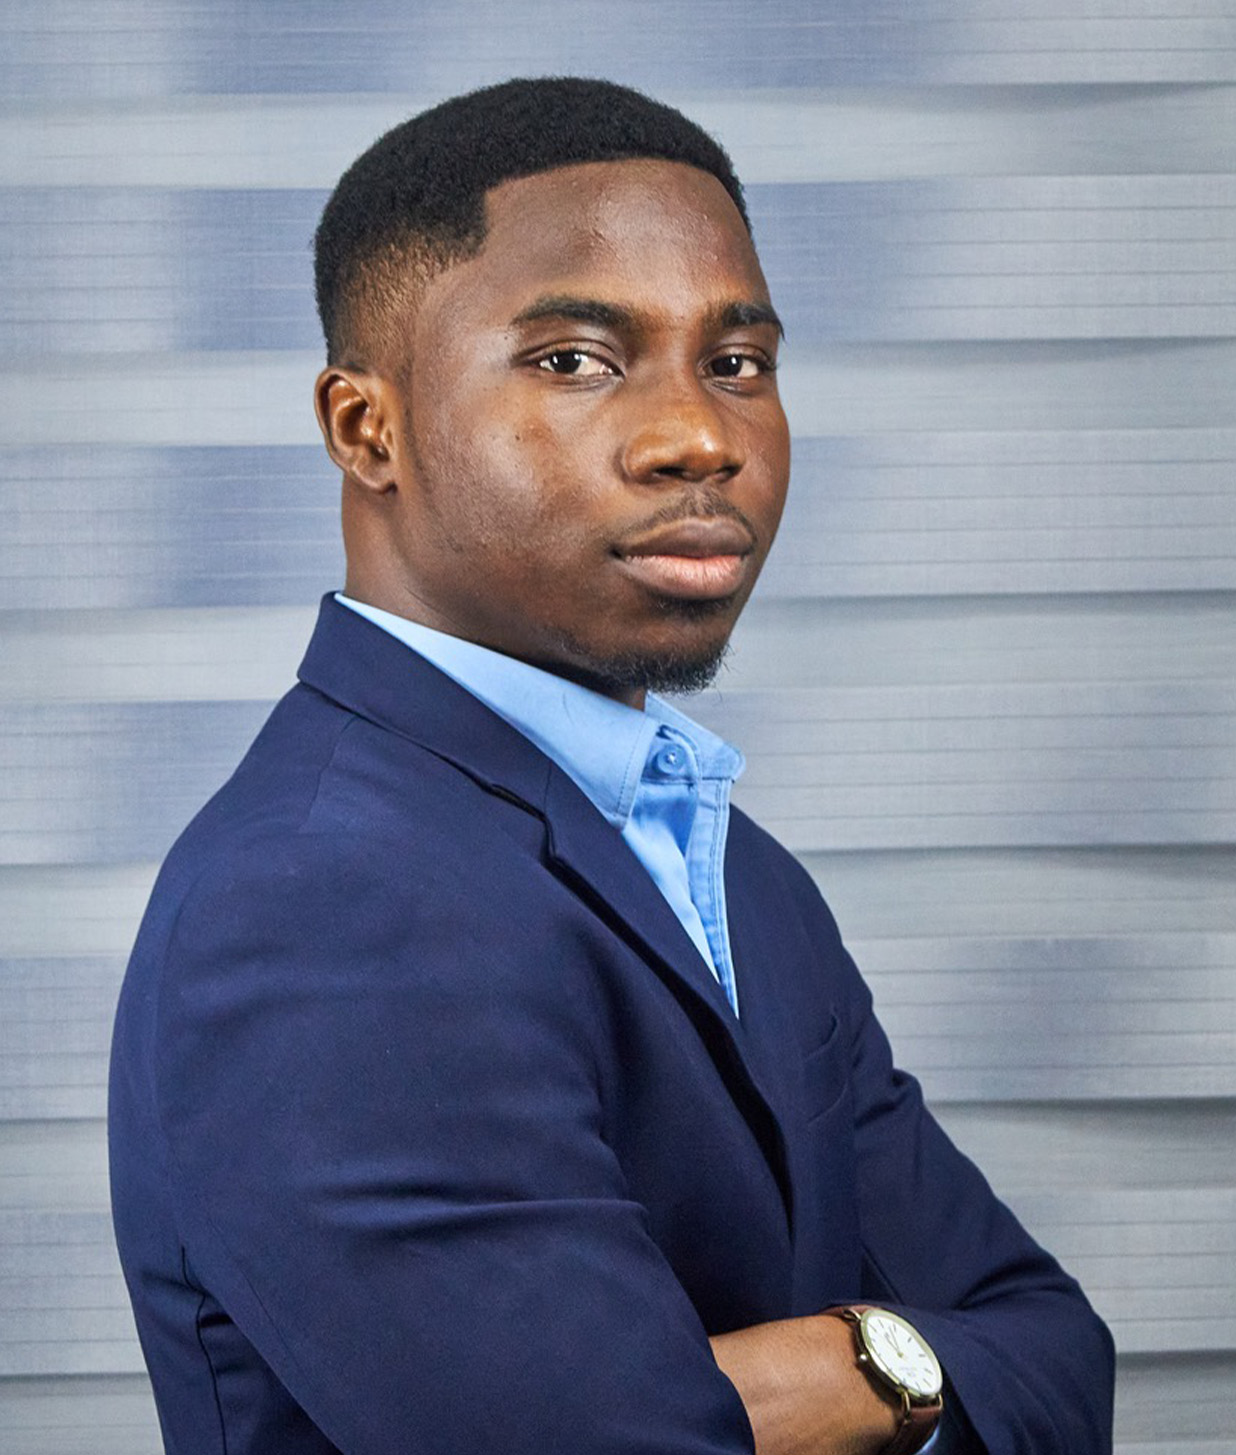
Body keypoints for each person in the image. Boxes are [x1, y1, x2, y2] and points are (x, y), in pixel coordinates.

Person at [108, 77, 1115, 1455]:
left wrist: (853, 1369)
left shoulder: (735, 872)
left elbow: (1055, 1350)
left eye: (738, 362)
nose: (701, 437)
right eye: (576, 360)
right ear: (366, 429)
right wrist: (915, 1374)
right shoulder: (319, 902)